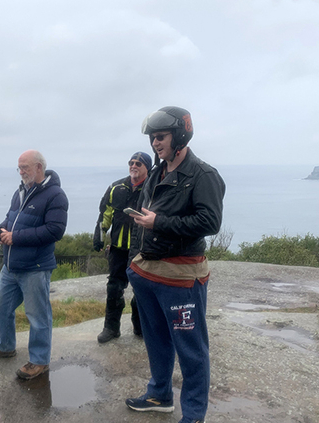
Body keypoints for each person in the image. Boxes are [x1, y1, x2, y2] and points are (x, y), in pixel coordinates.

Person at [124, 107, 225, 423]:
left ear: (179, 136)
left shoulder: (203, 175)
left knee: (191, 350)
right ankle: (159, 395)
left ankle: (194, 415)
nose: (155, 143)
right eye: (153, 138)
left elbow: (210, 222)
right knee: (156, 340)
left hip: (181, 276)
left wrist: (160, 223)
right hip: (149, 271)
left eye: (161, 137)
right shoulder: (158, 170)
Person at [0, 150, 68, 381]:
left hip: (35, 267)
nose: (21, 172)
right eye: (19, 168)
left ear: (39, 167)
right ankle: (6, 346)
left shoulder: (55, 195)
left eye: (25, 167)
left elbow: (55, 231)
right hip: (11, 266)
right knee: (1, 308)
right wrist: (1, 230)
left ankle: (39, 361)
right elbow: (12, 219)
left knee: (38, 317)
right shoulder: (20, 191)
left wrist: (16, 237)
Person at [93, 151, 152, 343]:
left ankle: (141, 327)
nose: (133, 166)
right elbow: (106, 212)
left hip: (143, 248)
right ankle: (111, 328)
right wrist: (100, 234)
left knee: (141, 290)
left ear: (147, 168)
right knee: (114, 288)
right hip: (118, 247)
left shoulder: (154, 188)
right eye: (131, 162)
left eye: (138, 163)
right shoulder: (116, 187)